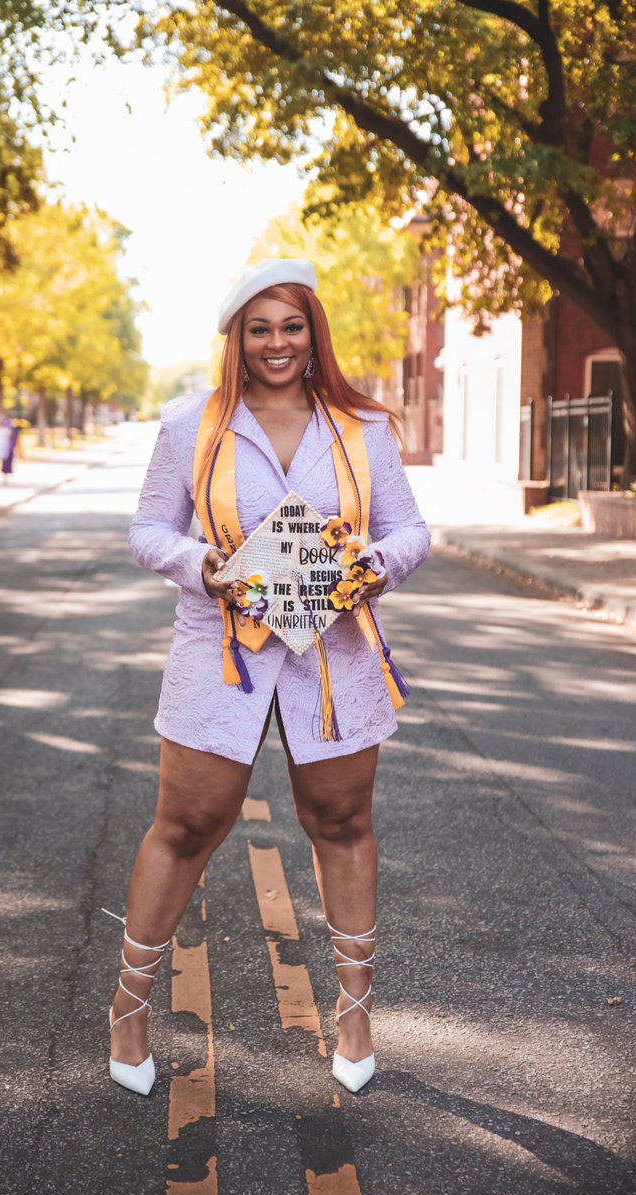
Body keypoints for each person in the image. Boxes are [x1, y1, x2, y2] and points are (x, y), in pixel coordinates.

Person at [104, 259, 431, 1098]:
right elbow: (148, 531)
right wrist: (200, 565)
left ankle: (354, 1011)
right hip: (223, 658)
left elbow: (410, 533)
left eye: (291, 326)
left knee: (342, 820)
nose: (277, 342)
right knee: (185, 825)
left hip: (336, 659)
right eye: (260, 328)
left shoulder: (362, 427)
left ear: (312, 332)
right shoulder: (192, 426)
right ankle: (129, 1006)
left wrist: (375, 564)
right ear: (236, 340)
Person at [0, 417, 19, 484]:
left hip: (6, 448)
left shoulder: (8, 430)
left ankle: (5, 475)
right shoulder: (0, 430)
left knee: (5, 462)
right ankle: (3, 474)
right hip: (2, 447)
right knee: (2, 462)